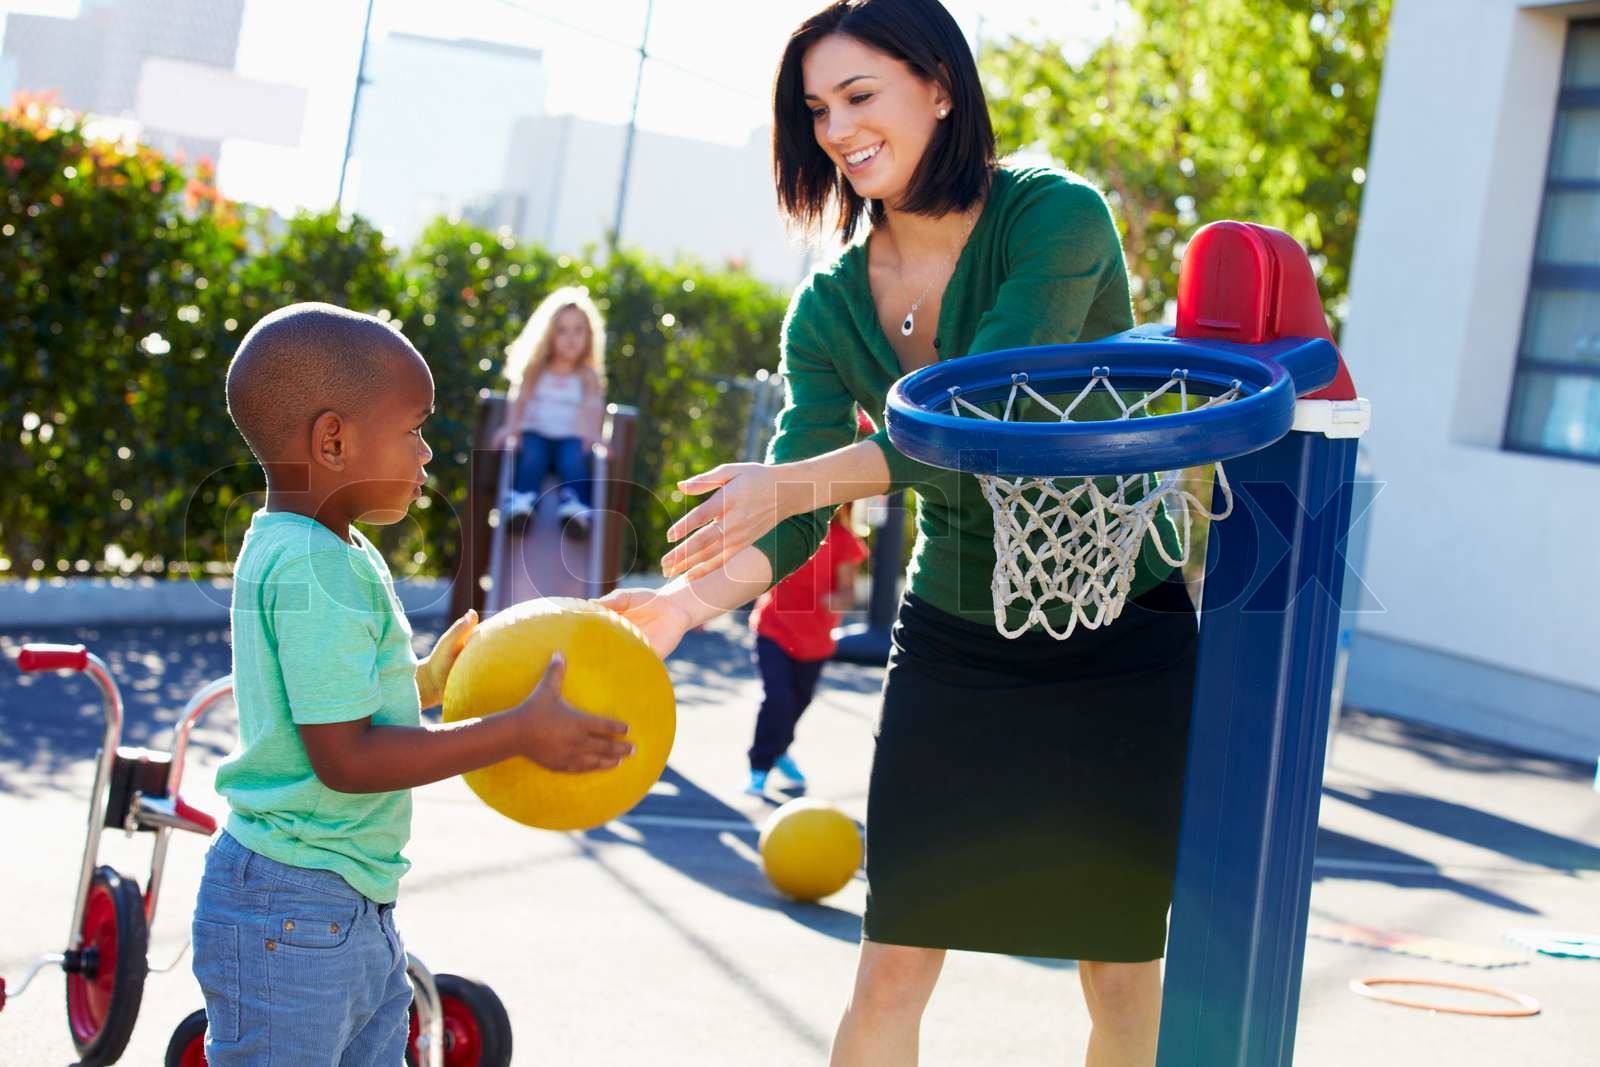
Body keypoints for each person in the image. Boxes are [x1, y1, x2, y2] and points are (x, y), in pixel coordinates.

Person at [599, 2, 1200, 1064]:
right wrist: (684, 602)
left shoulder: (1053, 217)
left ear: (938, 85)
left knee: (1116, 967)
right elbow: (802, 515)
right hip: (957, 633)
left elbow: (988, 420)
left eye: (859, 95)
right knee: (891, 958)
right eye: (817, 108)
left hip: (1119, 629)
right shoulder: (829, 306)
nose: (835, 127)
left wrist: (789, 482)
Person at [200, 302, 634, 1065]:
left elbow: (339, 695)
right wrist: (515, 732)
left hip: (338, 897)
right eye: (413, 429)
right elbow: (348, 757)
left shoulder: (322, 542)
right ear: (333, 441)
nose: (428, 452)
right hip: (294, 904)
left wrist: (426, 681)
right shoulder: (314, 564)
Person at [745, 501, 869, 796]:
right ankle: (759, 767)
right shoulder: (788, 531)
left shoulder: (845, 541)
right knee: (778, 700)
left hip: (815, 641)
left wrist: (836, 601)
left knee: (796, 705)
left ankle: (780, 751)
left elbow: (847, 591)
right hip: (773, 630)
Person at [494, 286, 608, 538]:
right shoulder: (537, 368)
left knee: (574, 460)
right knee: (532, 456)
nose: (571, 338)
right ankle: (522, 504)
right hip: (537, 432)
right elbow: (519, 397)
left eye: (578, 330)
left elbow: (594, 403)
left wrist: (593, 433)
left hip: (570, 436)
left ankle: (575, 509)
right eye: (562, 330)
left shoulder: (586, 375)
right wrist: (510, 428)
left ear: (589, 336)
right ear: (548, 334)